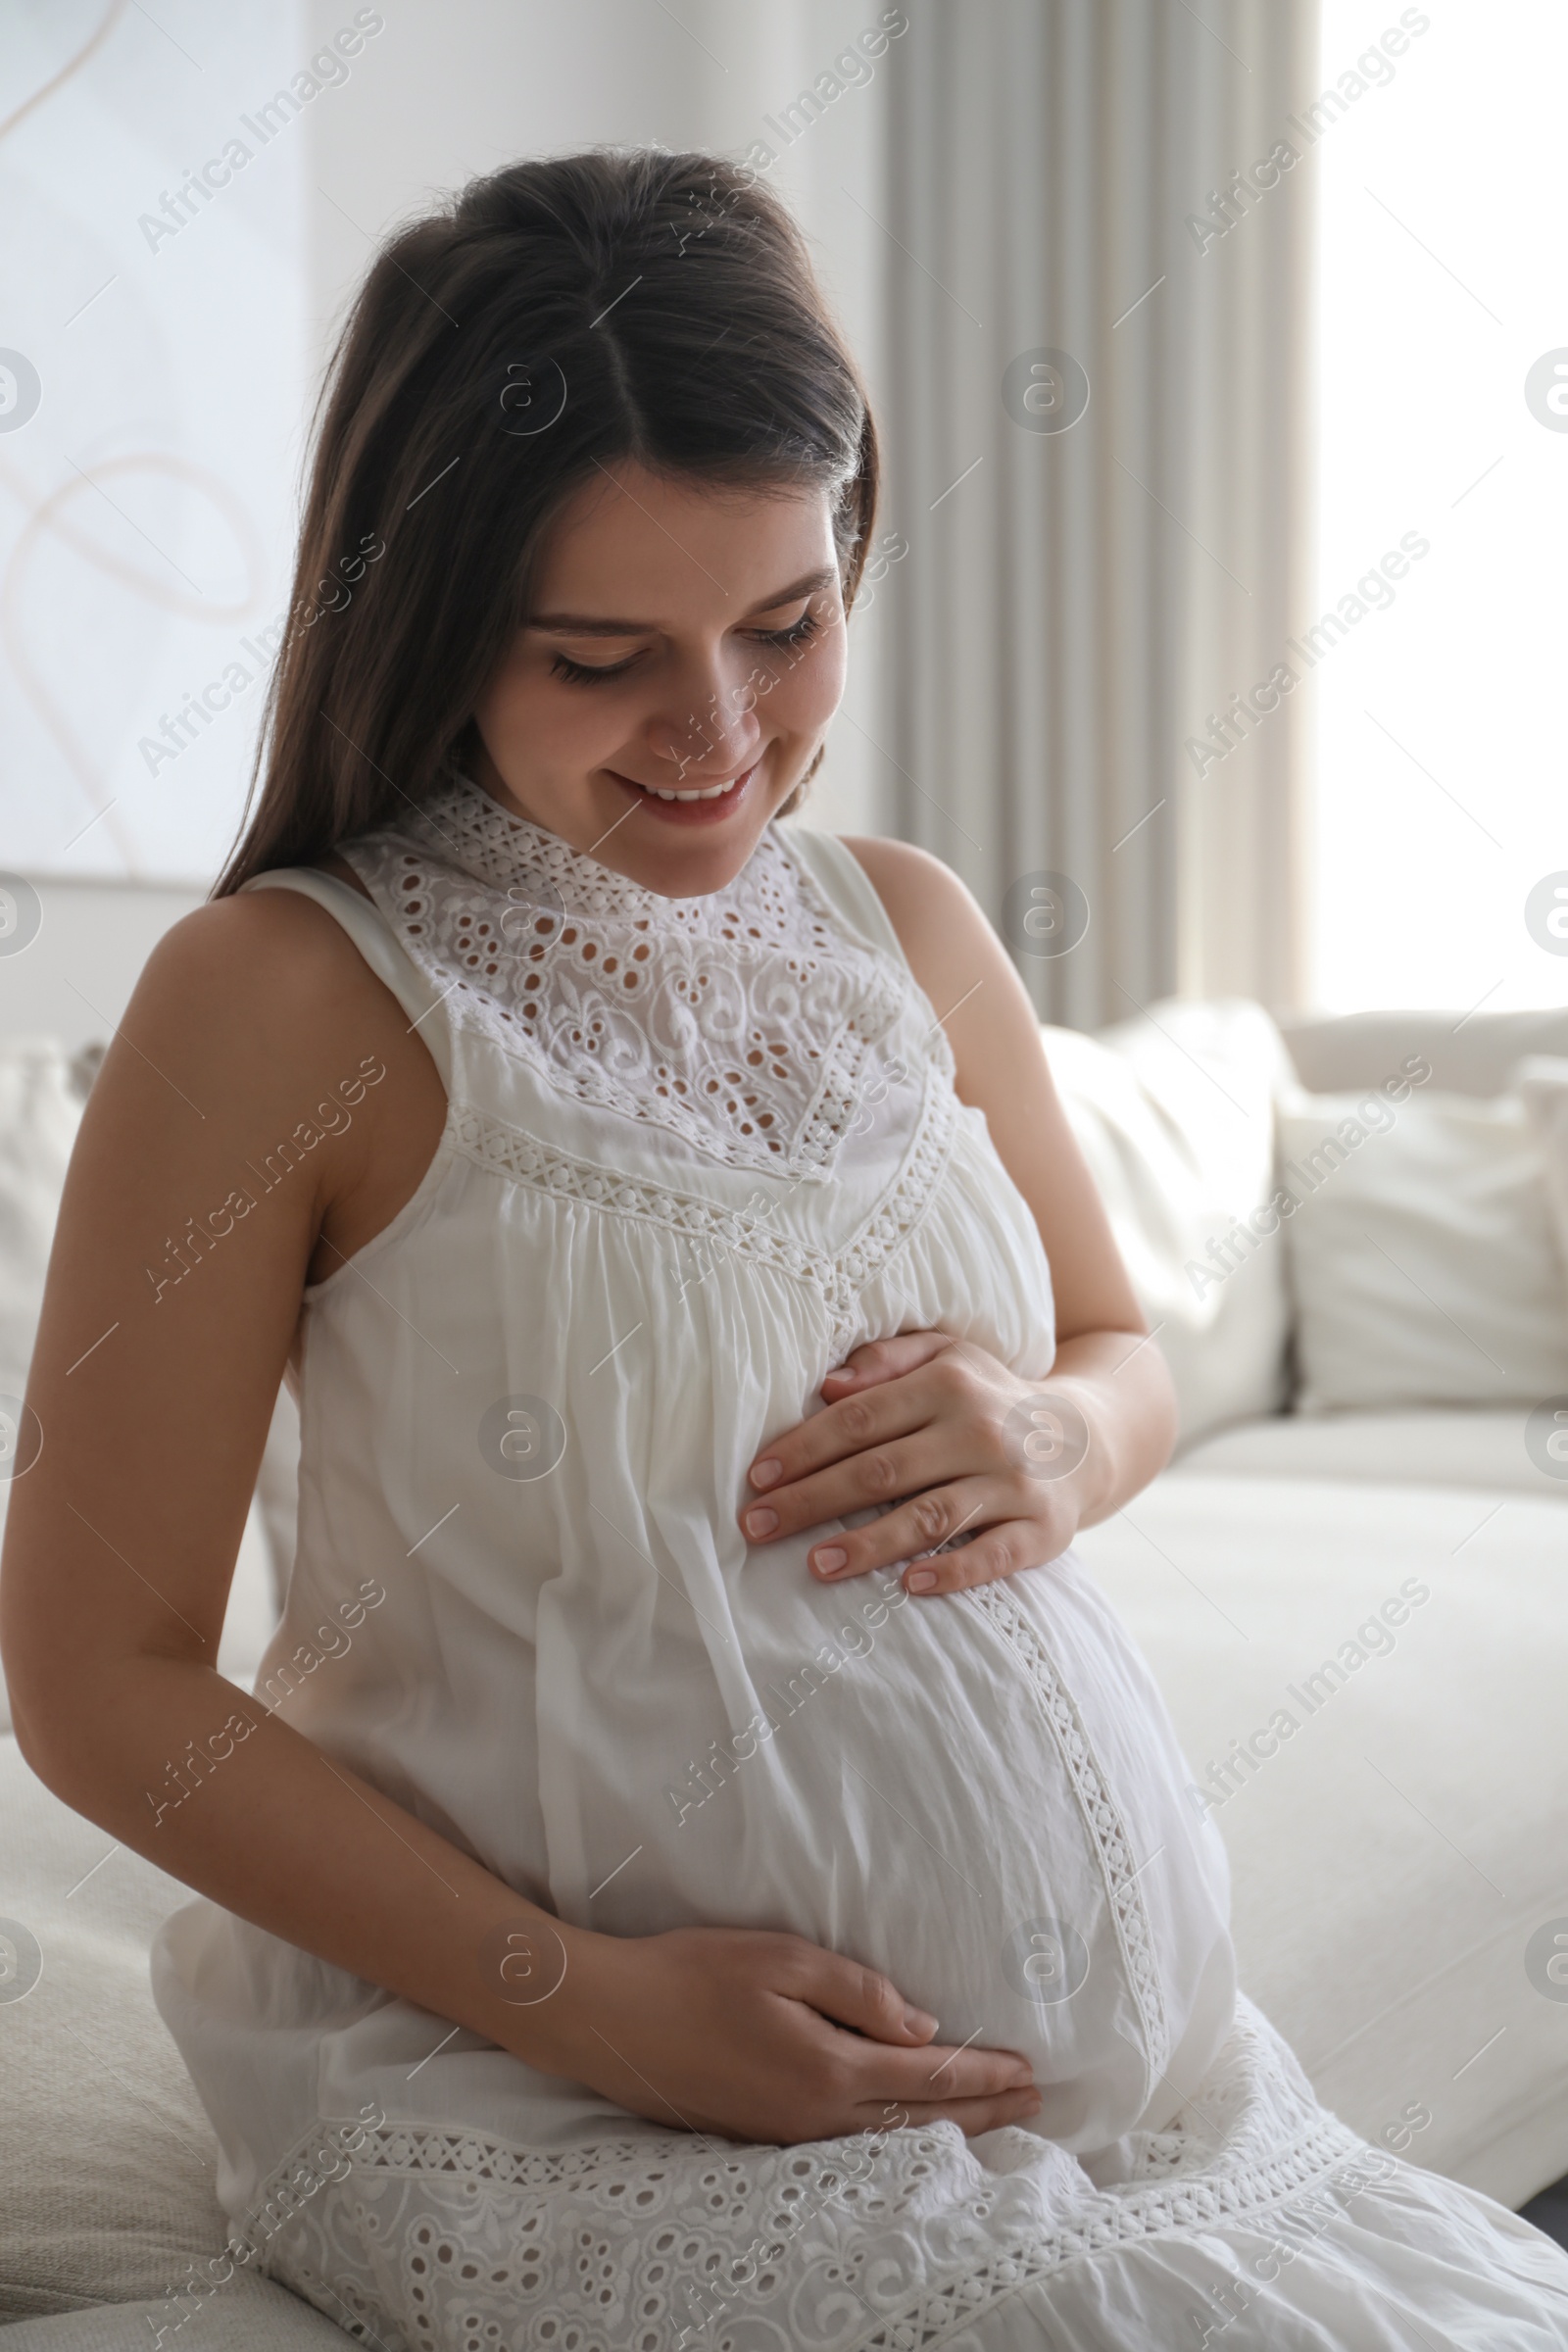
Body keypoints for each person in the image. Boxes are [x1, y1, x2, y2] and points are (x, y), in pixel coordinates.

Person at [4, 147, 1565, 2352]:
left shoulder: (897, 923)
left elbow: (1115, 1343)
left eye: (785, 622)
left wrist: (1052, 1432)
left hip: (1159, 2114)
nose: (723, 740)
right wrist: (597, 2007)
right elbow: (96, 1680)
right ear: (429, 617)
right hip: (548, 2093)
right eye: (601, 657)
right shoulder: (279, 1002)